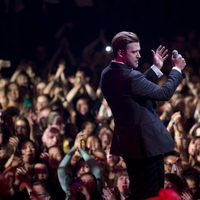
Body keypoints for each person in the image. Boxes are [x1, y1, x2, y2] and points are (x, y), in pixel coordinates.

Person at [100, 31, 186, 199]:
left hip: (130, 144)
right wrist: (176, 69)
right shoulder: (131, 76)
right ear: (121, 53)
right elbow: (164, 93)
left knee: (139, 190)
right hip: (146, 145)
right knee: (152, 193)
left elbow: (133, 89)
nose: (139, 55)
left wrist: (155, 69)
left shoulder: (107, 73)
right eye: (134, 52)